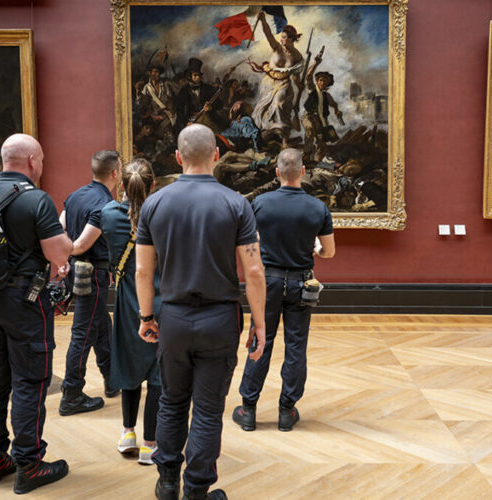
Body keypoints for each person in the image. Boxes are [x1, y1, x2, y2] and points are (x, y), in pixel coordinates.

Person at [135, 124, 267, 500]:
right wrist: (260, 325)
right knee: (208, 411)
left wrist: (147, 317)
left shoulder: (154, 203)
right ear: (215, 156)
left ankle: (166, 483)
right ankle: (196, 491)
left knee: (172, 402)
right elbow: (254, 271)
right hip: (220, 320)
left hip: (173, 319)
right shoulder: (236, 203)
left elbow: (143, 270)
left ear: (178, 157)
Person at [0, 133, 72, 493]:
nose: (41, 166)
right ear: (31, 161)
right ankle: (29, 463)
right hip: (24, 302)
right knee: (30, 380)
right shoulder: (36, 200)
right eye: (41, 160)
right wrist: (67, 239)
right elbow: (60, 254)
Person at [232, 148, 335, 432]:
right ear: (302, 172)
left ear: (277, 172)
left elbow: (249, 243)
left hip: (268, 282)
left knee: (260, 340)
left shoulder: (261, 203)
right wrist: (313, 248)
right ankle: (287, 411)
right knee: (296, 346)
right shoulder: (318, 208)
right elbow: (329, 252)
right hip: (302, 283)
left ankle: (248, 410)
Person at [75, 158, 163, 465]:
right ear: (153, 185)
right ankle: (151, 444)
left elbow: (78, 245)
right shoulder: (161, 212)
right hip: (160, 295)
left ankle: (128, 433)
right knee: (157, 372)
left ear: (121, 185)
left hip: (126, 297)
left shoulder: (106, 213)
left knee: (127, 362)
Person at [58, 150, 121, 416]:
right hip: (92, 274)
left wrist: (63, 258)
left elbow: (59, 227)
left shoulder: (75, 196)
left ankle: (111, 378)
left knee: (101, 325)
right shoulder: (104, 205)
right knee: (82, 334)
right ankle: (71, 394)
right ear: (115, 173)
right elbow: (81, 244)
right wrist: (71, 253)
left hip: (77, 272)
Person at [250, 12, 304, 147]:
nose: (282, 40)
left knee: (279, 105)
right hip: (268, 82)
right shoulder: (277, 47)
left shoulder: (297, 56)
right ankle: (265, 136)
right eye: (282, 37)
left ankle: (284, 139)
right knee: (262, 109)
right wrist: (263, 21)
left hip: (284, 83)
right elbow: (268, 34)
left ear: (292, 39)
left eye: (285, 38)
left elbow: (295, 75)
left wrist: (299, 85)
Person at [301, 54, 343, 162]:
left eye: (325, 81)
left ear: (328, 84)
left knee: (321, 142)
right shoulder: (312, 90)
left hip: (321, 121)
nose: (322, 83)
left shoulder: (326, 96)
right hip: (308, 117)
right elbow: (308, 76)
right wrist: (316, 63)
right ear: (317, 81)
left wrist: (337, 111)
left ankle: (317, 161)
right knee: (309, 131)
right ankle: (306, 154)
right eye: (321, 80)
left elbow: (334, 104)